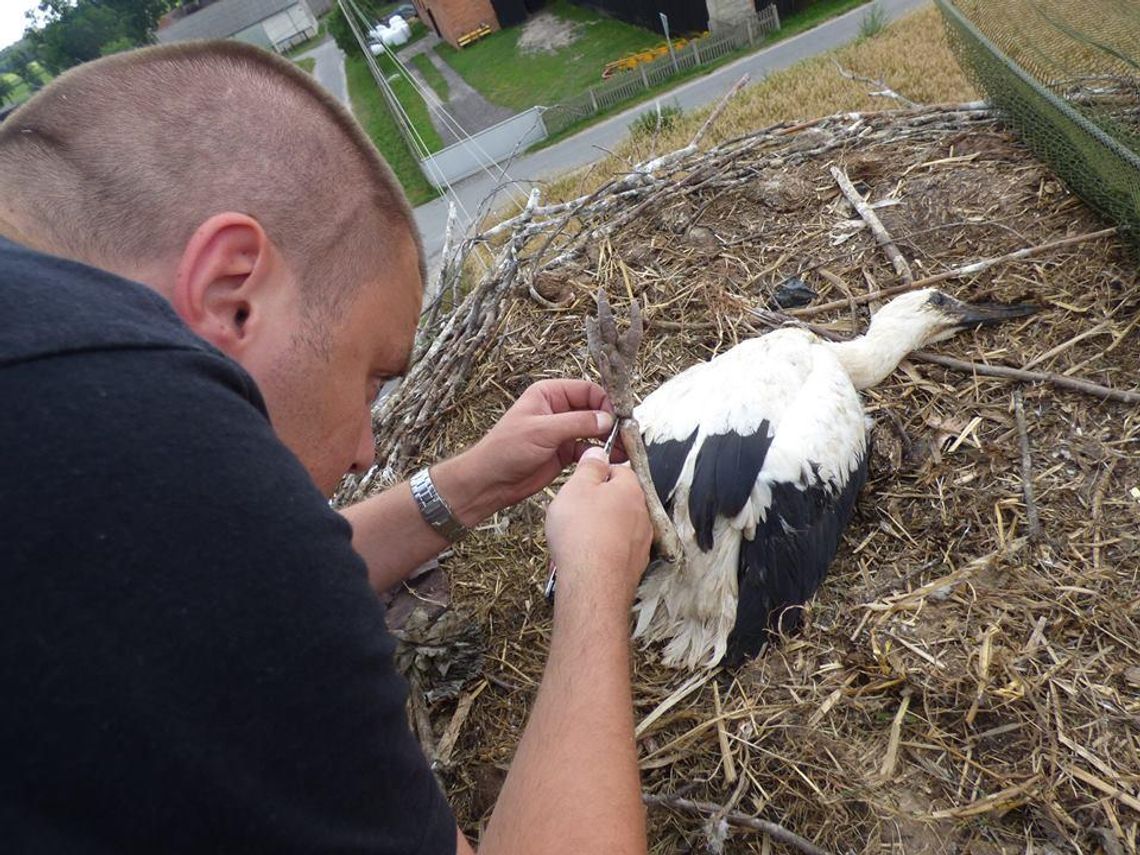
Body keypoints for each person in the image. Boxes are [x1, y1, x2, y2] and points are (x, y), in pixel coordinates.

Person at [0, 41, 652, 854]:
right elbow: (218, 560)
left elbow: (205, 580)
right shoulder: (133, 437)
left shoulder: (56, 400)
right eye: (371, 380)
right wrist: (594, 581)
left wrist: (468, 485)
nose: (362, 448)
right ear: (233, 294)